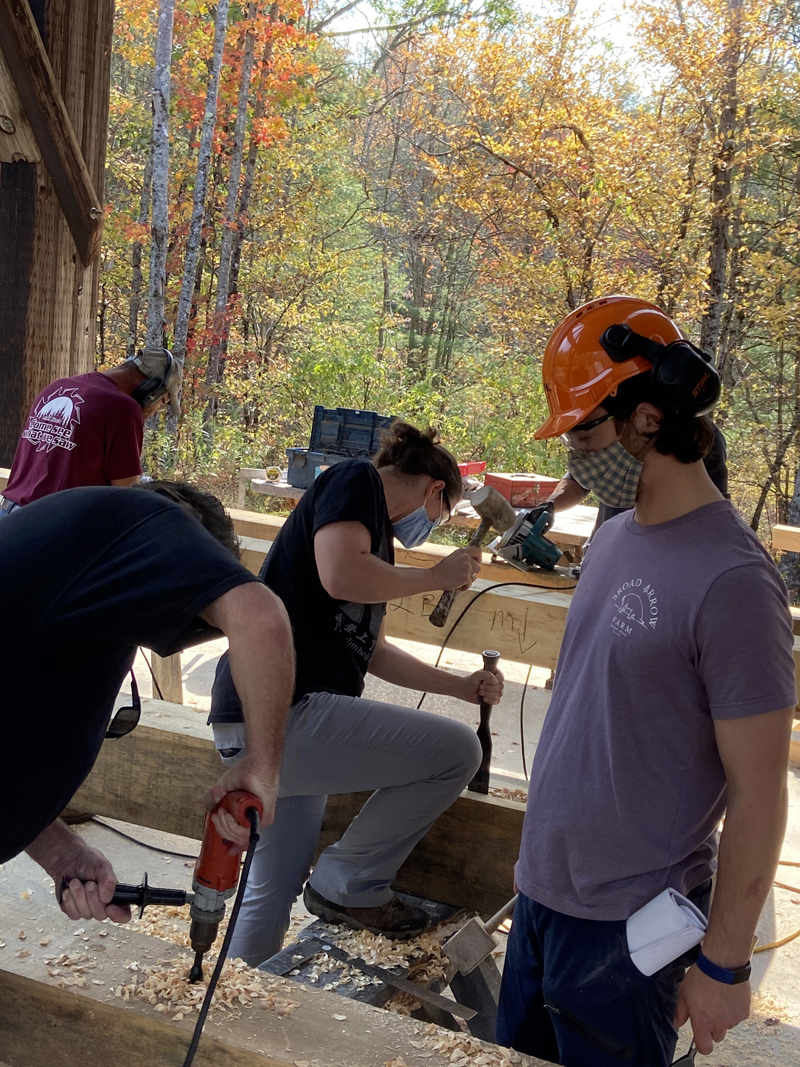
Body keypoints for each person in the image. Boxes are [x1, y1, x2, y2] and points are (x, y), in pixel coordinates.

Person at [497, 296, 796, 1065]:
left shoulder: (734, 579)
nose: (576, 456)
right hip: (542, 903)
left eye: (588, 431)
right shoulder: (614, 538)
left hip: (631, 933)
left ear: (652, 419)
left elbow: (761, 789)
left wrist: (725, 962)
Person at [209, 421, 505, 966]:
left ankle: (240, 992)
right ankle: (350, 881)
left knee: (272, 885)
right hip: (285, 710)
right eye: (438, 518)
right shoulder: (354, 482)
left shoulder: (373, 547)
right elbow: (341, 576)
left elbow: (372, 651)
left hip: (268, 725)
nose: (429, 530)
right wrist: (436, 576)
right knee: (459, 752)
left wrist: (459, 686)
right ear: (433, 489)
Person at [0, 481, 294, 928]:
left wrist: (61, 853)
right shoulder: (148, 518)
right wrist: (262, 767)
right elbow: (260, 613)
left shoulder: (78, 567)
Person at [0, 348, 182, 515]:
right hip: (51, 525)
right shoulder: (123, 408)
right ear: (150, 390)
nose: (157, 408)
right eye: (163, 402)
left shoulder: (58, 387)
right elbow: (126, 494)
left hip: (10, 515)